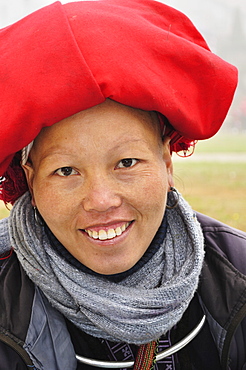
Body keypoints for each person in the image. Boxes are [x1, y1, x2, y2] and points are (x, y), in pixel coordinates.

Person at [0, 0, 245, 369]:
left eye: (127, 162)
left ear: (166, 162)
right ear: (31, 182)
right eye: (66, 171)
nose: (100, 200)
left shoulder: (238, 274)